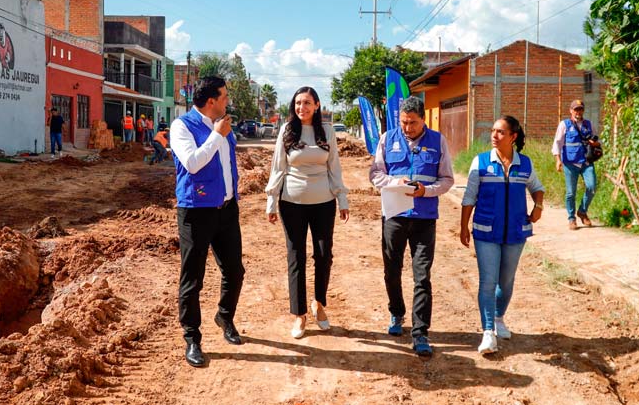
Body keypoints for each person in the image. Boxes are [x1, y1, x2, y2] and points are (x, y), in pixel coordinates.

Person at [368, 96, 454, 357]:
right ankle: (396, 313)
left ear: (423, 119)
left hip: (425, 218)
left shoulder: (438, 142)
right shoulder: (387, 139)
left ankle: (420, 333)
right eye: (404, 122)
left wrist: (426, 190)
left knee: (422, 276)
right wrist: (395, 181)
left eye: (413, 123)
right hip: (394, 216)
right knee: (391, 270)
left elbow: (447, 179)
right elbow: (374, 174)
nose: (407, 128)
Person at [170, 76, 245, 368]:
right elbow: (191, 163)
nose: (228, 101)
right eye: (225, 96)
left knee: (235, 271)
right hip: (196, 211)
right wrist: (216, 135)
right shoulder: (182, 126)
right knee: (193, 278)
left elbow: (226, 165)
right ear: (211, 101)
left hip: (226, 209)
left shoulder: (224, 126)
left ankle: (224, 317)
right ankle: (192, 338)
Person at [265, 86, 349, 339]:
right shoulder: (288, 130)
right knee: (296, 257)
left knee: (324, 255)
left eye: (307, 103)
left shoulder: (328, 131)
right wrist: (271, 202)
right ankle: (299, 314)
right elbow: (278, 167)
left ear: (316, 105)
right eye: (298, 103)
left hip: (324, 203)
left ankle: (319, 304)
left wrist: (342, 199)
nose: (302, 107)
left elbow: (334, 167)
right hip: (291, 203)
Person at [460, 115, 545, 354]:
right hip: (486, 231)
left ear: (513, 137)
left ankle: (498, 318)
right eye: (493, 131)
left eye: (500, 132)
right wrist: (463, 226)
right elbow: (469, 197)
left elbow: (537, 188)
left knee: (506, 280)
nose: (494, 136)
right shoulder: (481, 162)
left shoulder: (525, 164)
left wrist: (537, 208)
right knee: (488, 281)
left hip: (516, 231)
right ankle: (487, 333)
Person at [552, 99, 597, 230]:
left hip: (586, 162)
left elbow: (596, 138)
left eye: (580, 109)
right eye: (576, 109)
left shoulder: (589, 124)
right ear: (571, 111)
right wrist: (558, 160)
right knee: (571, 192)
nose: (578, 112)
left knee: (592, 187)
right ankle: (571, 218)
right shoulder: (564, 124)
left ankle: (582, 211)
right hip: (570, 163)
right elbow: (557, 143)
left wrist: (595, 143)